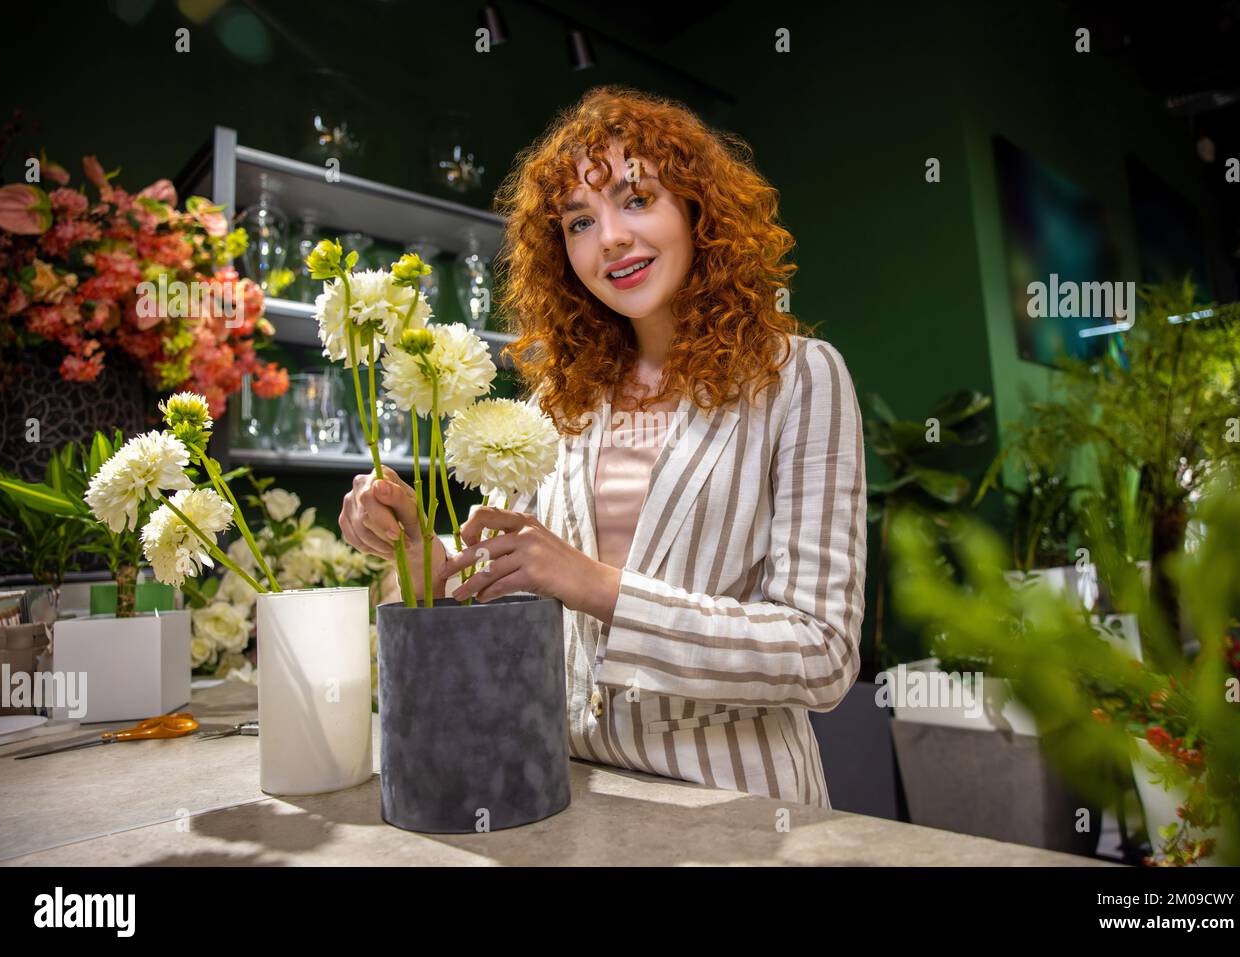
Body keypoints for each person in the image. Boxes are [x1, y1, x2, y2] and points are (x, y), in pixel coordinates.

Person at [339, 85, 867, 808]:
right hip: (567, 796)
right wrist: (418, 553)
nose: (609, 237)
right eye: (580, 221)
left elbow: (821, 653)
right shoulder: (556, 405)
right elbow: (506, 586)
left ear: (698, 211)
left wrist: (595, 584)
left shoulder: (800, 377)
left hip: (743, 810)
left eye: (637, 199)